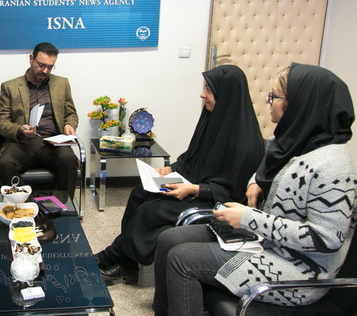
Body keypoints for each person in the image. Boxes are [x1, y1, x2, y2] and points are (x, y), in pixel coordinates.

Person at [152, 63, 357, 315]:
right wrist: (255, 182)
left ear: (299, 104)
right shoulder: (294, 141)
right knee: (169, 239)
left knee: (182, 260)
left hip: (298, 270)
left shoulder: (334, 167)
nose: (267, 101)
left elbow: (325, 239)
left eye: (274, 96)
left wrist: (250, 219)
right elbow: (266, 168)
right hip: (267, 242)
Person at [95, 65, 265, 281]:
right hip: (194, 186)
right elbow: (191, 156)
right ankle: (127, 263)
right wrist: (171, 168)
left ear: (226, 94)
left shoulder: (246, 143)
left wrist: (193, 189)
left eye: (209, 89)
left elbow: (232, 193)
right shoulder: (213, 120)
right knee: (139, 194)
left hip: (215, 201)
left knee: (151, 211)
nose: (202, 94)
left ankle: (111, 257)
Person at [0, 42, 79, 198]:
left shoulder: (62, 83)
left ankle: (63, 205)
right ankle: (26, 205)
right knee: (5, 163)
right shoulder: (10, 87)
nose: (45, 71)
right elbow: (1, 121)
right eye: (41, 65)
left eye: (50, 67)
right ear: (31, 59)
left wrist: (69, 124)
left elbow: (71, 113)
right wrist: (19, 129)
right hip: (23, 143)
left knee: (69, 159)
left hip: (53, 142)